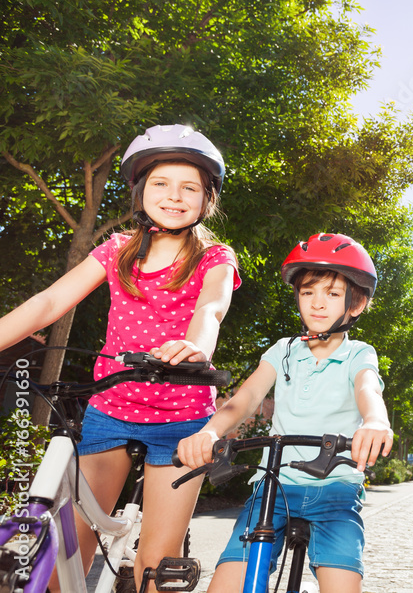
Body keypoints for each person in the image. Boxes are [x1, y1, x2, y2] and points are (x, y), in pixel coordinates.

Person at [0, 124, 241, 592]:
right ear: (140, 190)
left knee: (156, 564)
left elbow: (212, 307)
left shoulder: (214, 256)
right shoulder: (117, 250)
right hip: (114, 407)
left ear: (206, 198)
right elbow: (48, 304)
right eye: (161, 184)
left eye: (189, 187)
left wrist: (197, 347)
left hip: (181, 416)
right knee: (68, 552)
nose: (174, 196)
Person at [176, 233, 392, 593]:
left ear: (356, 304)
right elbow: (243, 400)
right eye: (308, 292)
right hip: (274, 486)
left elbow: (367, 388)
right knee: (227, 583)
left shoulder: (359, 353)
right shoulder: (283, 350)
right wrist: (210, 432)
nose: (318, 304)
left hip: (335, 489)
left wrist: (375, 420)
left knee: (342, 584)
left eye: (332, 294)